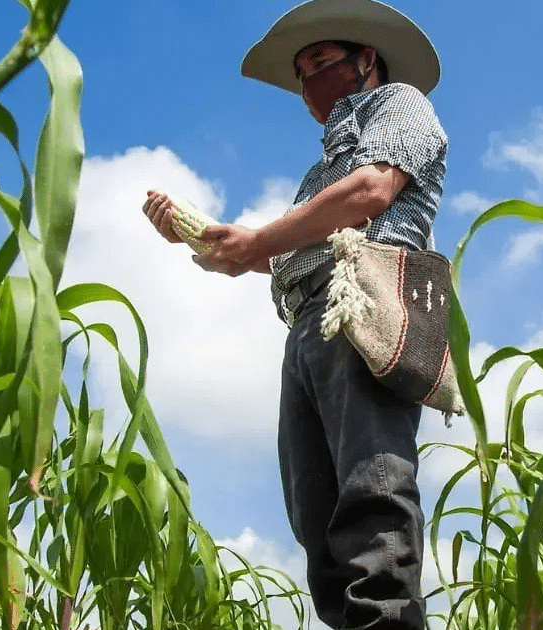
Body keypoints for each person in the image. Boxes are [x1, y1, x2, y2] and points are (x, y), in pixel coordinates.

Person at [140, 1, 446, 628]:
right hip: (307, 325)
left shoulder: (402, 105)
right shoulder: (317, 176)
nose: (308, 82)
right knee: (316, 510)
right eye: (301, 71)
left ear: (366, 59)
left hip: (364, 305)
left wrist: (257, 241)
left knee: (372, 486)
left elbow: (371, 193)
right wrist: (205, 239)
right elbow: (282, 249)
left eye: (320, 61)